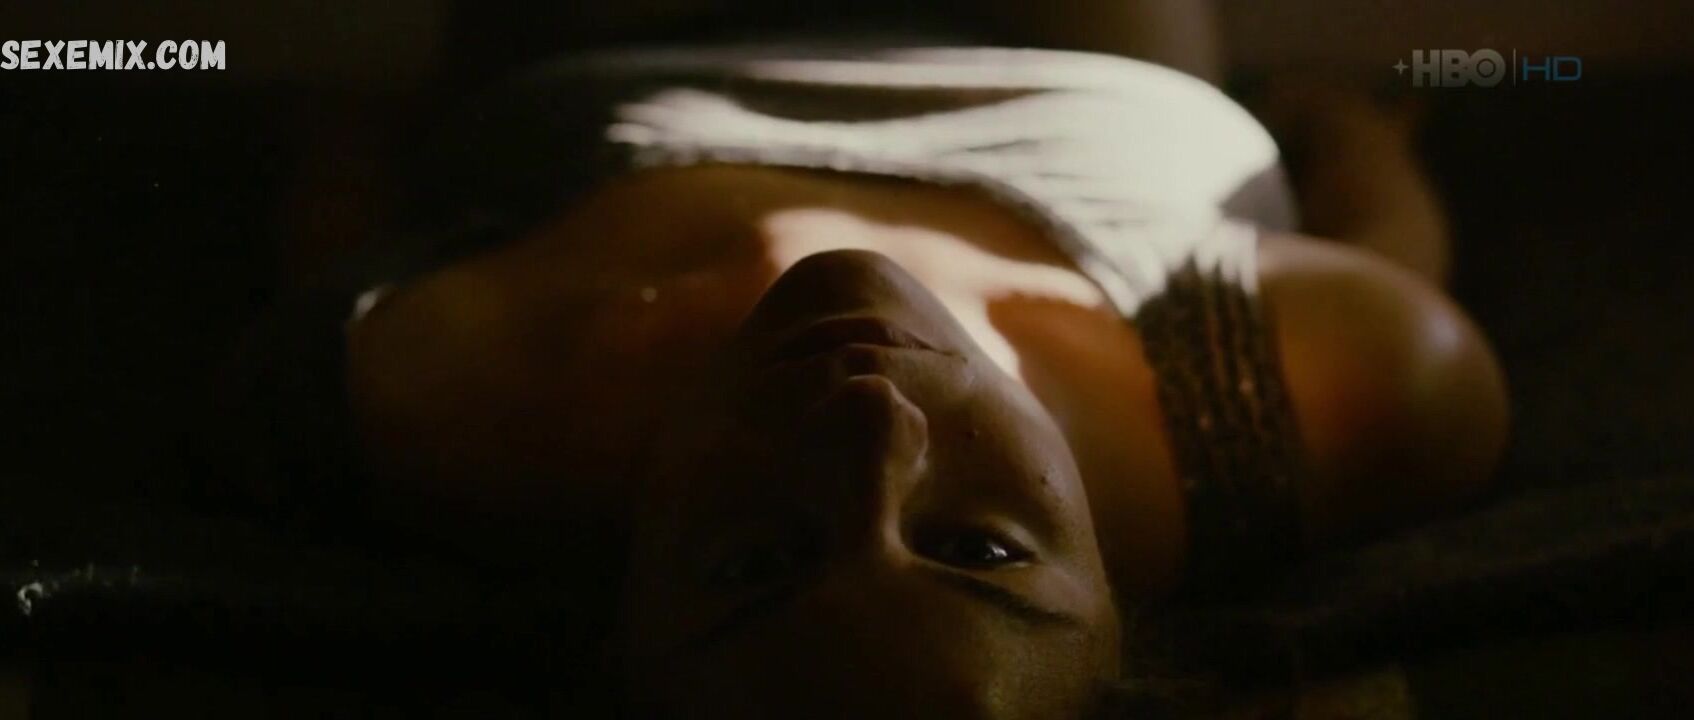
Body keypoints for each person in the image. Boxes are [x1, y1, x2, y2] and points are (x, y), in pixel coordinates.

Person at [226, 2, 1509, 717]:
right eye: (977, 550)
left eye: (756, 560)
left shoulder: (443, 414)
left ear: (619, 630)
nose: (867, 427)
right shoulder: (1296, 410)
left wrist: (344, 138)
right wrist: (1347, 132)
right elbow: (1386, 271)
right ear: (1128, 627)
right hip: (1072, 47)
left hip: (622, 29)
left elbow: (340, 238)